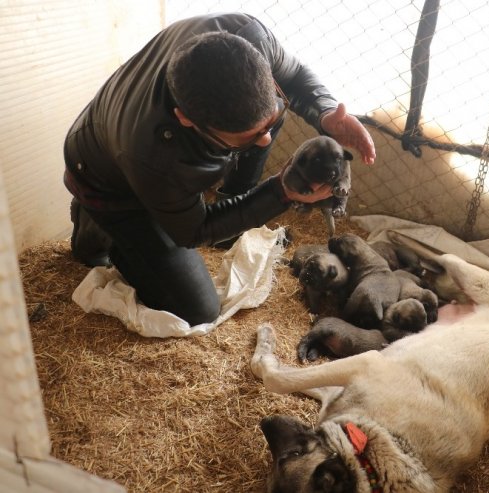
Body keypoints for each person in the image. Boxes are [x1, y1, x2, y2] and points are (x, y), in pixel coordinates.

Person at [63, 13, 376, 326]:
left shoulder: (245, 36)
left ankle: (236, 185)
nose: (266, 139)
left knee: (256, 132)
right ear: (187, 119)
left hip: (135, 138)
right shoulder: (156, 157)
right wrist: (280, 193)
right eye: (248, 137)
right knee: (197, 309)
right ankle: (96, 223)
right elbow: (194, 230)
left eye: (270, 121)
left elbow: (293, 75)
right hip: (104, 178)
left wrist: (324, 110)